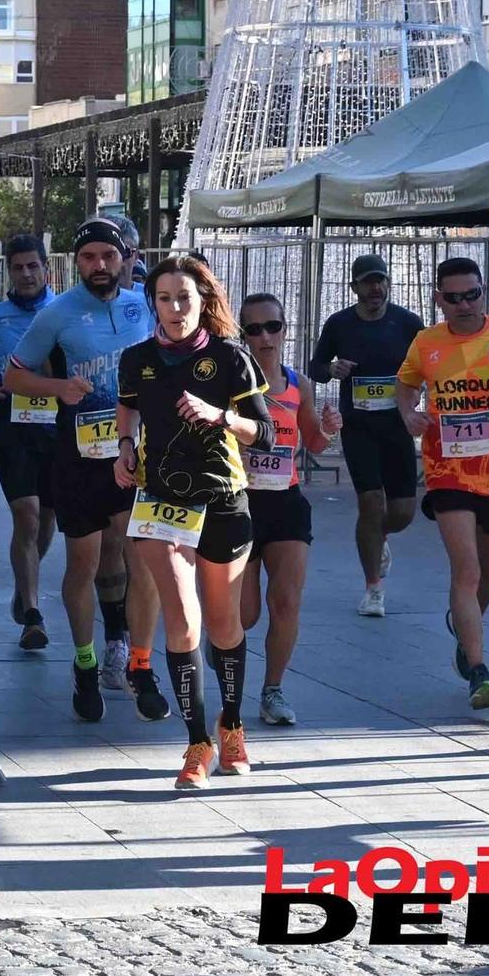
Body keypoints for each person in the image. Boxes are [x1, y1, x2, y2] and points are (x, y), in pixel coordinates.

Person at [114, 253, 273, 788]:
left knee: (224, 621)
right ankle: (197, 742)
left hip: (224, 499)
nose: (176, 308)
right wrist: (122, 448)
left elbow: (266, 433)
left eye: (185, 298)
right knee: (182, 618)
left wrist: (220, 416)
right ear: (151, 303)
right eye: (165, 299)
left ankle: (232, 725)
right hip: (161, 500)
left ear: (203, 301)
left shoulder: (231, 357)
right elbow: (129, 409)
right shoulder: (136, 359)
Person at [6, 218, 169, 722]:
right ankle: (84, 662)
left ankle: (141, 666)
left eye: (108, 256)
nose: (99, 266)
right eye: (88, 258)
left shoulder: (147, 304)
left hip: (136, 457)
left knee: (141, 562)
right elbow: (13, 374)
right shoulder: (58, 314)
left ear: (125, 257)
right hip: (79, 458)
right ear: (76, 263)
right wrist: (58, 390)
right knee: (84, 564)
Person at [398, 257, 489, 709]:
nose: (463, 305)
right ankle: (478, 670)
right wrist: (408, 412)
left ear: (483, 293)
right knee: (468, 570)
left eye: (471, 295)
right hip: (447, 469)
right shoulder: (426, 342)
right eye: (452, 298)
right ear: (439, 299)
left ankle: (464, 625)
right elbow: (406, 385)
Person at [236, 292, 340, 726]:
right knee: (246, 614)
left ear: (284, 330)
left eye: (273, 327)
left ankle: (272, 690)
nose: (265, 337)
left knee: (285, 602)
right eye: (254, 329)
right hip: (239, 504)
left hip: (286, 501)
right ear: (243, 335)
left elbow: (313, 443)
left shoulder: (299, 384)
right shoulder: (231, 385)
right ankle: (223, 640)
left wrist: (329, 431)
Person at [309, 253, 424, 617]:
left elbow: (427, 364)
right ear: (354, 287)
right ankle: (373, 588)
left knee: (403, 512)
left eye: (381, 280)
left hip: (397, 425)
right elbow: (316, 366)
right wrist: (331, 367)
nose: (375, 288)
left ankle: (377, 537)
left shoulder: (407, 323)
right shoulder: (340, 324)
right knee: (371, 502)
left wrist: (418, 392)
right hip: (358, 427)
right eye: (367, 282)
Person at [0, 233, 59, 649]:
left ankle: (24, 588)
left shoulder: (64, 310)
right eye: (18, 267)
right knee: (27, 515)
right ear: (8, 271)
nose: (26, 274)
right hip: (12, 424)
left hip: (58, 425)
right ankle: (33, 615)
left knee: (48, 521)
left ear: (46, 267)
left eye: (33, 266)